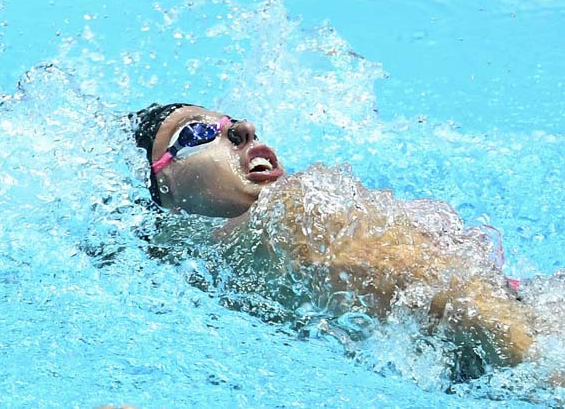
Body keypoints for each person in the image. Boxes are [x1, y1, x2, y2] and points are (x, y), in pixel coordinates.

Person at [129, 102, 552, 380]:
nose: (243, 128)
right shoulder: (197, 262)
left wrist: (545, 376)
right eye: (198, 132)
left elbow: (481, 313)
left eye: (233, 123)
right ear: (159, 184)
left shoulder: (294, 212)